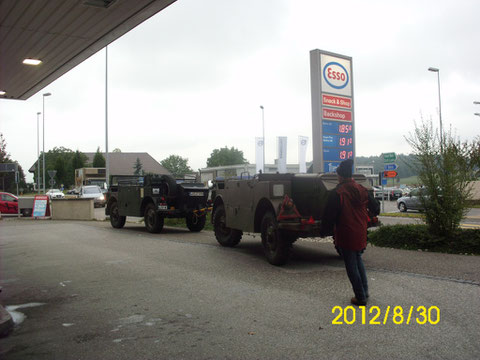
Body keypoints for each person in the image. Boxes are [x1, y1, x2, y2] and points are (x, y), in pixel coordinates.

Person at [320, 159, 380, 306]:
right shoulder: (362, 189)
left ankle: (360, 297)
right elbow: (376, 207)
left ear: (340, 176)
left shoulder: (338, 193)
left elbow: (329, 216)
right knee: (358, 259)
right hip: (360, 231)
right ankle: (364, 291)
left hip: (346, 233)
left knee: (351, 265)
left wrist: (324, 231)